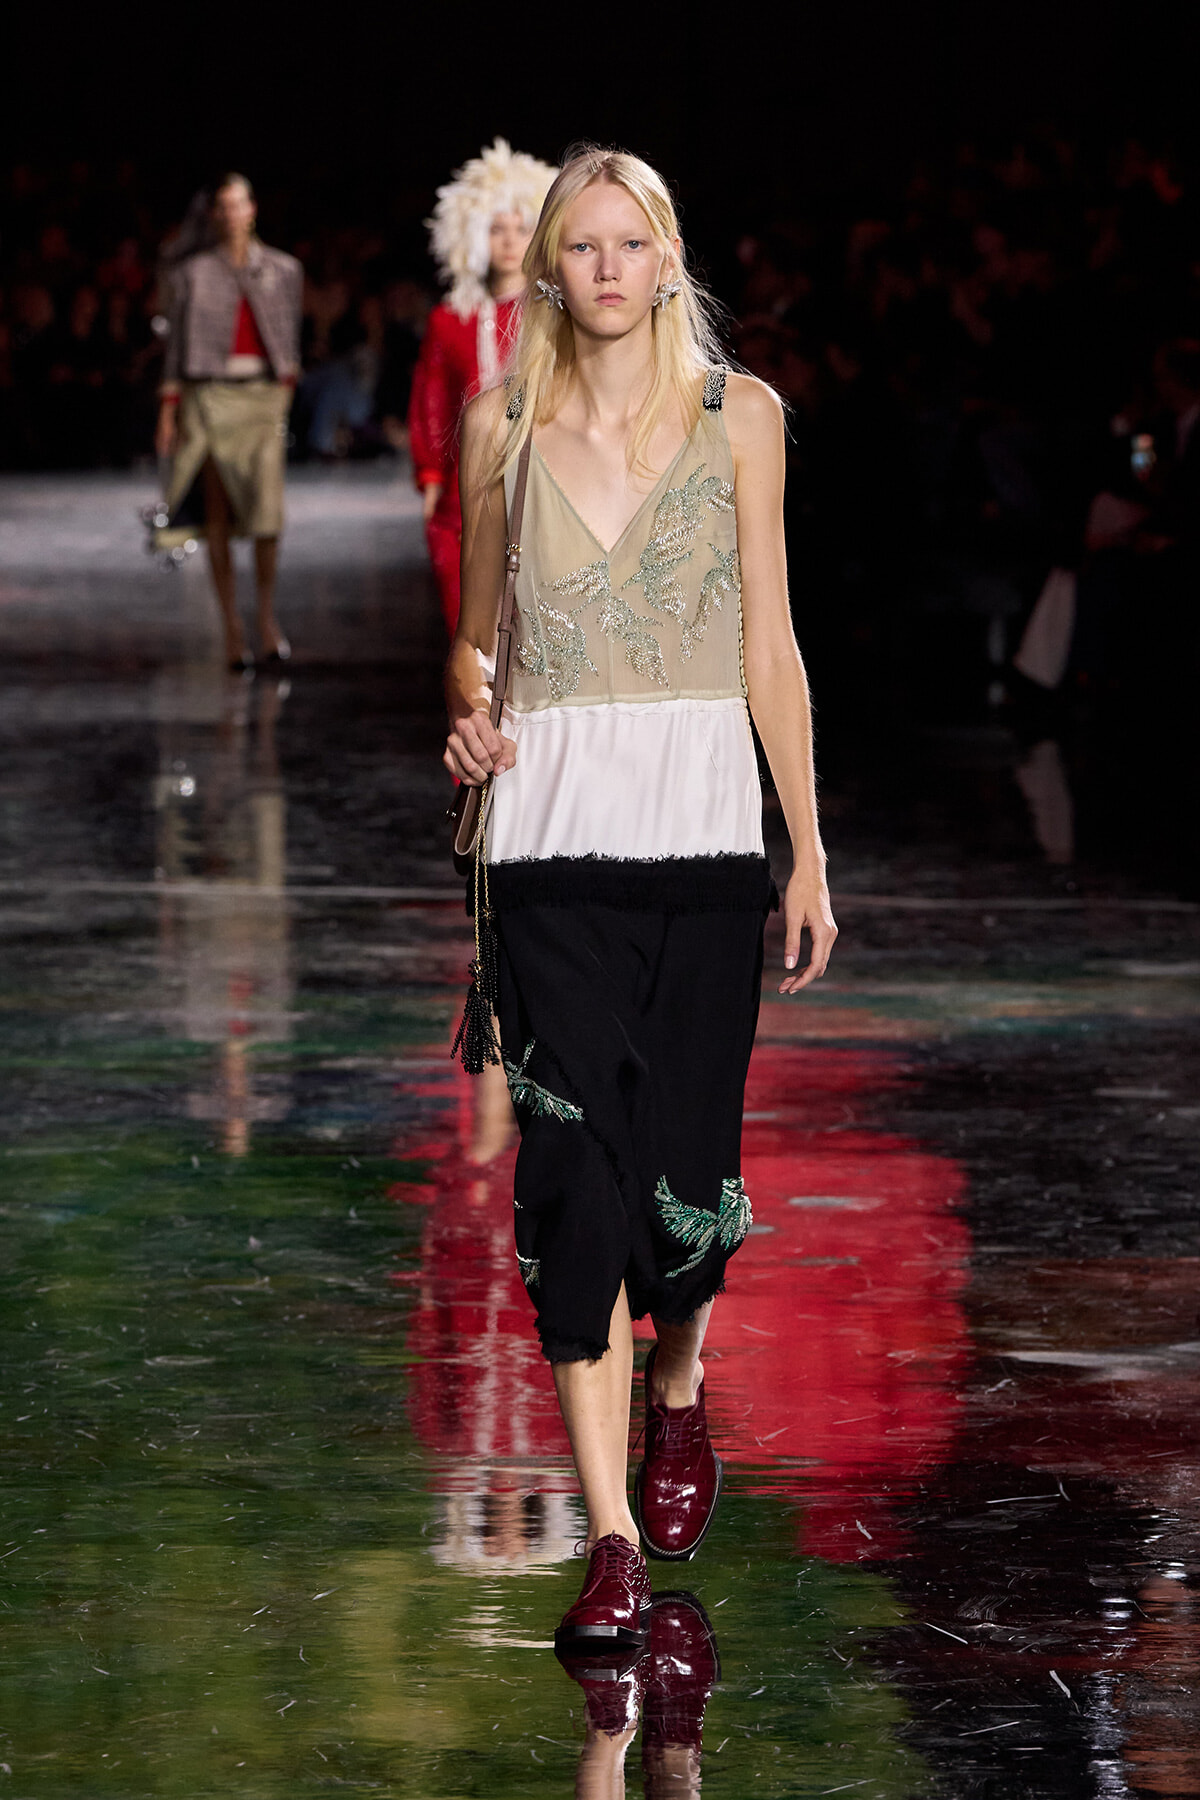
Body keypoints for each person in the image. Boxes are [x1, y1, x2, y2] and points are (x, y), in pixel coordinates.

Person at [443, 146, 836, 1655]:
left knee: (685, 1184)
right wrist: (466, 720)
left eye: (631, 243)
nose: (605, 268)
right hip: (546, 849)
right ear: (548, 268)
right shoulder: (504, 428)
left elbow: (772, 650)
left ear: (669, 260)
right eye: (580, 246)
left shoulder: (747, 422)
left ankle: (680, 1385)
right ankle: (606, 1536)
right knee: (573, 1188)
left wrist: (807, 849)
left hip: (699, 839)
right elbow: (475, 647)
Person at [154, 174, 302, 671]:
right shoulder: (192, 273)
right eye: (224, 205)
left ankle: (264, 616)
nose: (233, 213)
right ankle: (232, 630)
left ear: (252, 209)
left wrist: (286, 388)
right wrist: (169, 407)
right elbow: (176, 348)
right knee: (216, 513)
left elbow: (288, 335)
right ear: (215, 214)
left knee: (266, 515)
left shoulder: (283, 269)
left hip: (262, 400)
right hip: (209, 396)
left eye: (240, 203)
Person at [409, 139, 555, 634]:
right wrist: (429, 473)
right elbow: (431, 395)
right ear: (470, 235)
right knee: (465, 618)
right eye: (496, 228)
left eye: (522, 227)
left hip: (540, 471)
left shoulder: (551, 314)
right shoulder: (450, 319)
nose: (510, 241)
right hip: (463, 481)